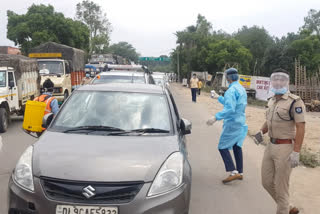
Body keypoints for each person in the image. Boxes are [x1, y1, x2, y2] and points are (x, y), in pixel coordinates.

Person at [254, 69, 305, 214]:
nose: (278, 82)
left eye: (282, 79)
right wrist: (260, 131)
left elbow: (300, 127)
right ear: (272, 81)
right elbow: (269, 120)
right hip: (270, 146)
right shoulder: (271, 100)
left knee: (281, 188)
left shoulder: (295, 101)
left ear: (287, 82)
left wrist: (296, 151)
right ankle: (288, 207)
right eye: (275, 79)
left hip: (285, 148)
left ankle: (283, 209)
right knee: (266, 182)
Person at [206, 68, 248, 183]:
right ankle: (240, 172)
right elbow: (233, 104)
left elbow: (230, 108)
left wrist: (216, 117)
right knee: (236, 146)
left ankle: (233, 171)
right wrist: (218, 97)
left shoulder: (231, 90)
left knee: (222, 146)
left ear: (228, 78)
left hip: (232, 123)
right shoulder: (241, 89)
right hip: (240, 122)